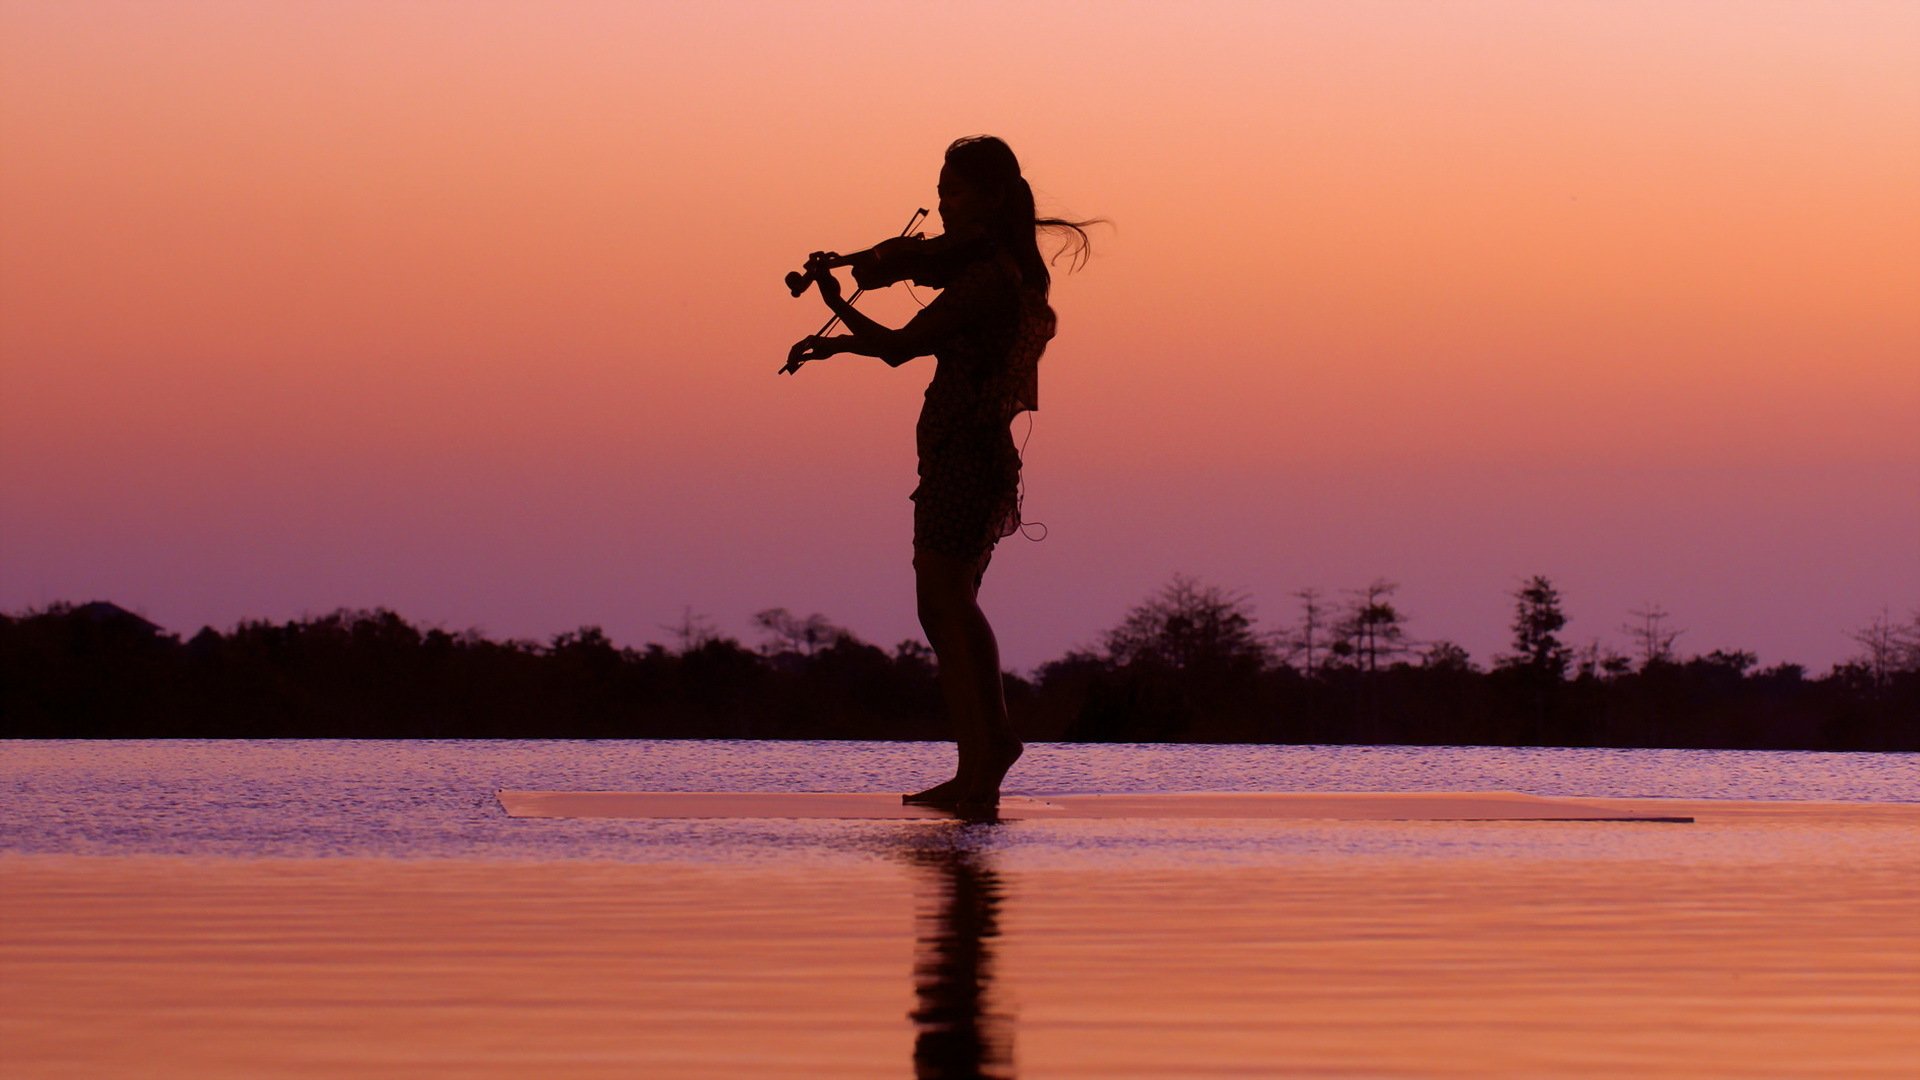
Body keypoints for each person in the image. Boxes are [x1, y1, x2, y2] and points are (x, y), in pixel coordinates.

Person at [786, 136, 1093, 808]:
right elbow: (902, 343)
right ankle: (978, 760)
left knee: (947, 604)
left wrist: (837, 308)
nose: (941, 206)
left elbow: (899, 348)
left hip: (967, 456)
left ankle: (990, 751)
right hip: (962, 455)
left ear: (988, 198)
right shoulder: (990, 272)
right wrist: (837, 324)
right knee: (945, 606)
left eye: (953, 192)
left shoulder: (987, 279)